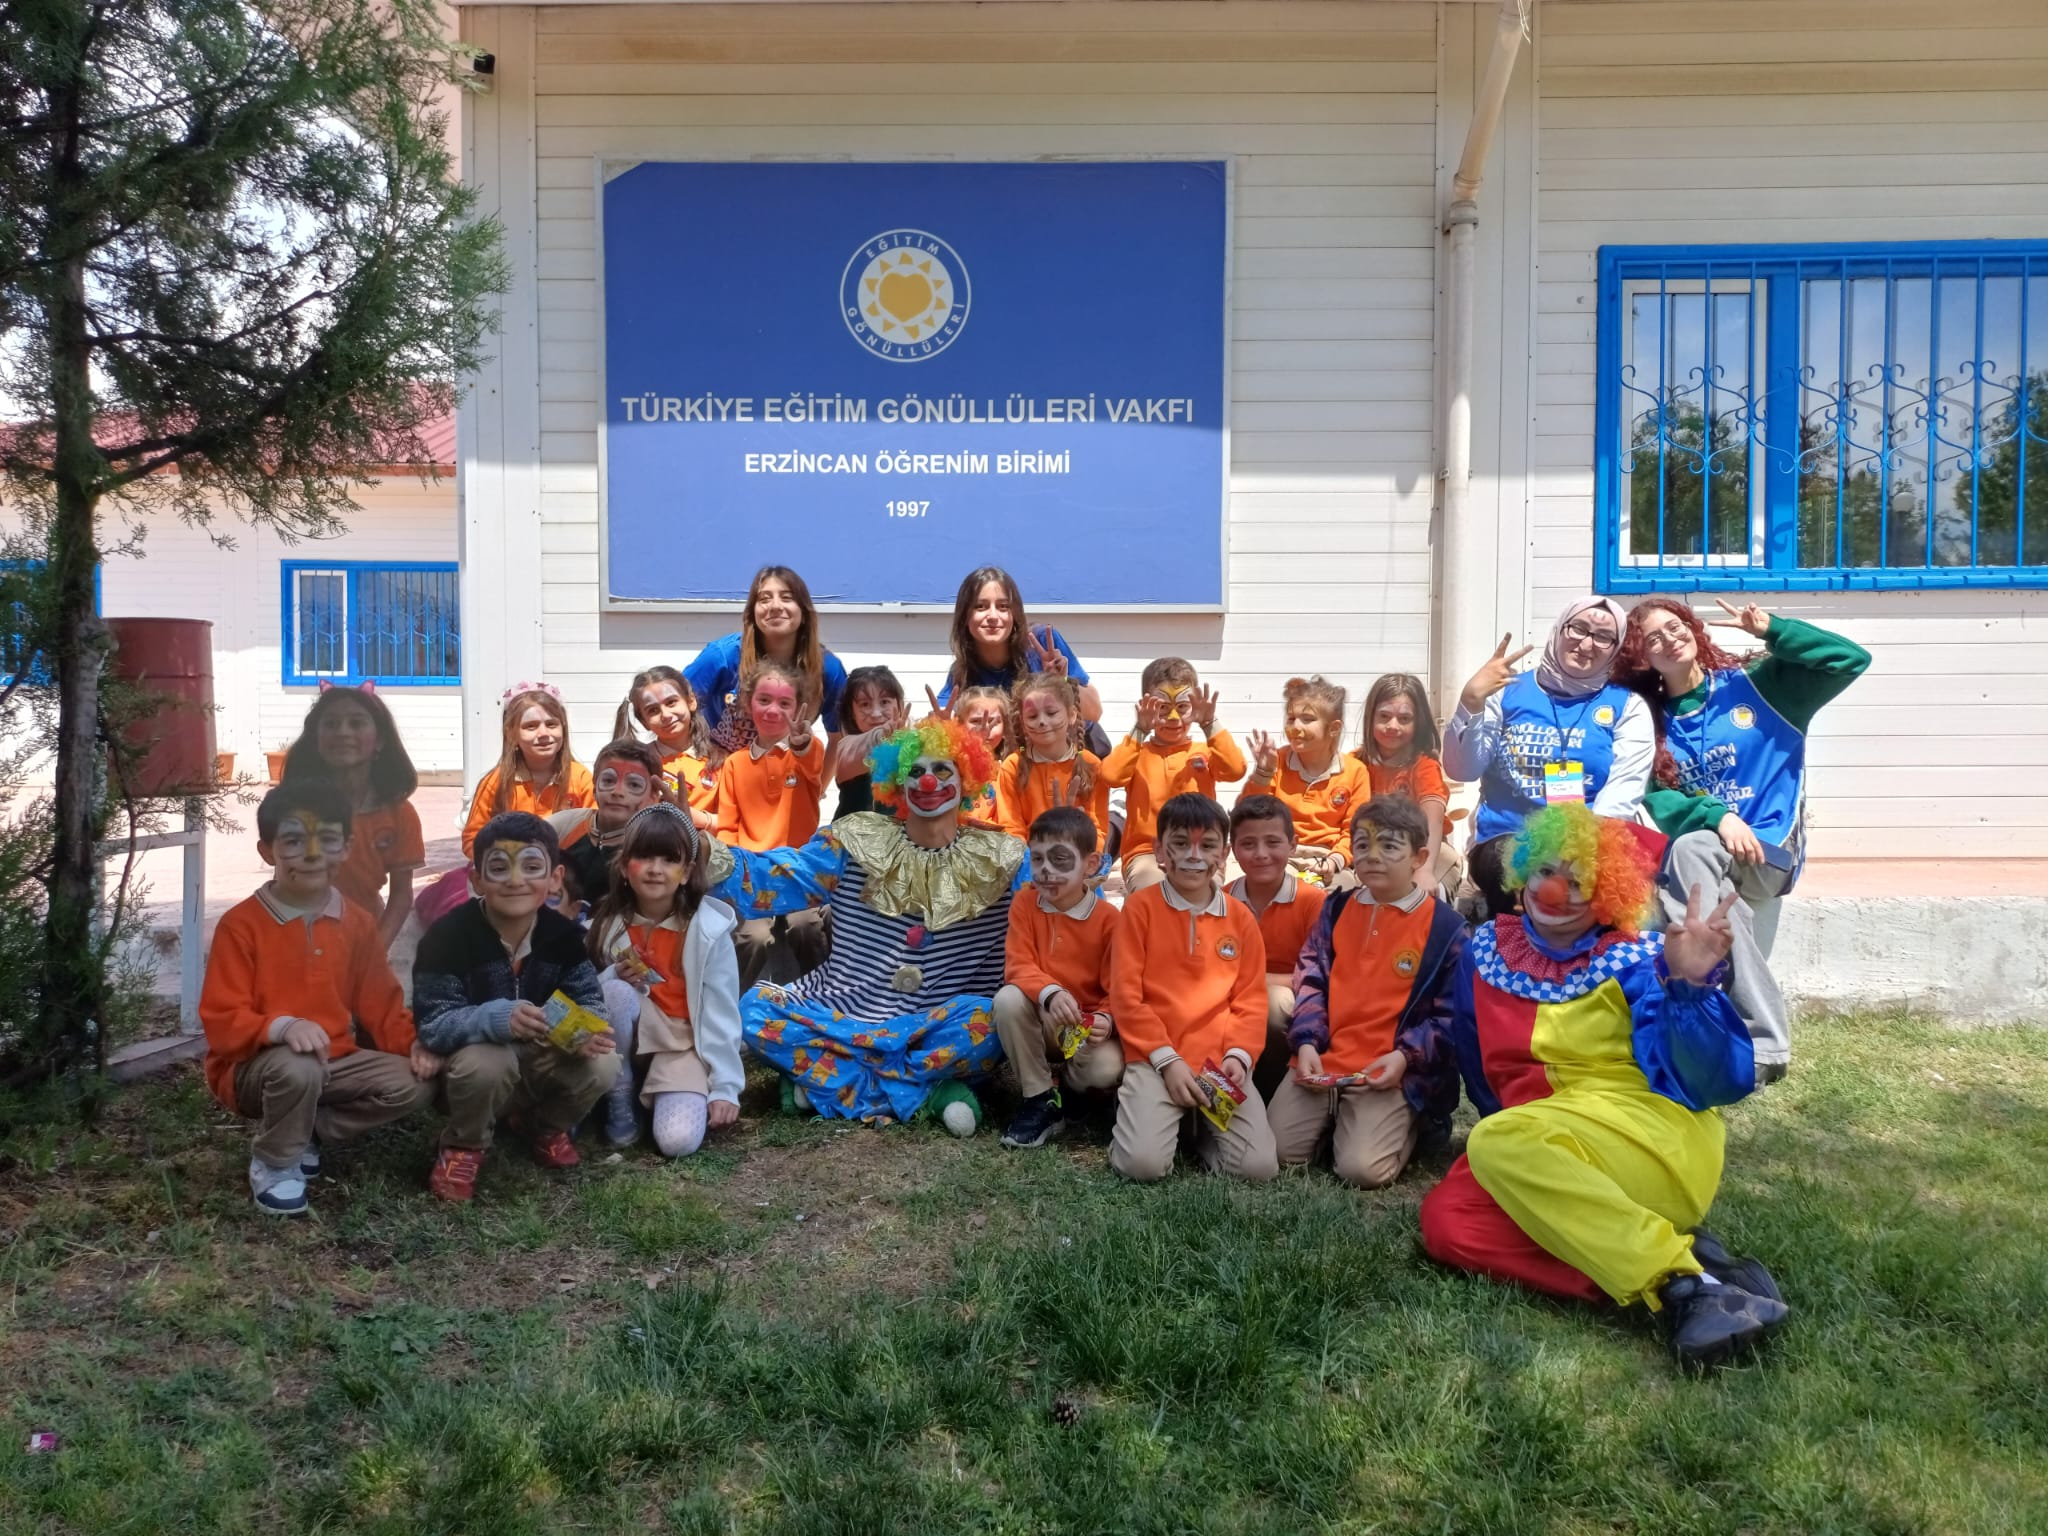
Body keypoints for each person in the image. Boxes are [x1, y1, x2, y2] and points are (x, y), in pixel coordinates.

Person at [1417, 804, 1788, 1371]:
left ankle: (1680, 1287)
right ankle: (1695, 1261)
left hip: (1653, 1140)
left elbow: (1711, 1083)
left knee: (1493, 1140)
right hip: (1540, 1147)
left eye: (1579, 880)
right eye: (1544, 870)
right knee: (1449, 1224)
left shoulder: (1639, 962)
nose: (1555, 890)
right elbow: (1477, 1067)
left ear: (1608, 893)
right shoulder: (1485, 954)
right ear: (1521, 876)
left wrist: (1689, 987)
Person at [714, 714, 1020, 1128]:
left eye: (942, 769)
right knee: (754, 1011)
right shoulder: (856, 840)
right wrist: (699, 849)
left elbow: (1054, 896)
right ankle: (923, 1092)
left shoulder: (1002, 857)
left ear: (967, 779)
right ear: (896, 783)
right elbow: (779, 878)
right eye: (914, 771)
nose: (928, 782)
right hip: (842, 1009)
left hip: (934, 1022)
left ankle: (832, 1082)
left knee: (990, 1021)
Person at [1616, 597, 1872, 1081]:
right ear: (1643, 657)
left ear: (1692, 629)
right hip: (1714, 865)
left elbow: (1850, 660)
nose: (1668, 638)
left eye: (1675, 627)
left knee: (1689, 848)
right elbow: (1655, 798)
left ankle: (1695, 987)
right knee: (1720, 905)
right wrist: (1718, 816)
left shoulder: (1759, 686)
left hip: (1769, 851)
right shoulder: (1648, 723)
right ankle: (1765, 1050)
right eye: (1653, 638)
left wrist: (1773, 630)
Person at [199, 781, 440, 1215]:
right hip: (254, 1066)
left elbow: (381, 1004)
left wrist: (414, 1045)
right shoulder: (241, 926)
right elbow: (221, 1020)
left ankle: (305, 1129)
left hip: (334, 1060)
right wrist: (283, 1026)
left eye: (327, 839)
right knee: (299, 1064)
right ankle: (275, 1162)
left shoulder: (357, 922)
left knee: (411, 1083)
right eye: (293, 841)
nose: (312, 854)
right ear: (267, 851)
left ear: (346, 847)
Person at [411, 813, 619, 1202]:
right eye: (499, 868)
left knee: (605, 1064)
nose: (515, 880)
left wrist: (580, 1031)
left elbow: (590, 1000)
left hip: (540, 1054)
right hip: (472, 1068)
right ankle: (463, 1146)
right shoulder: (448, 937)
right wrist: (496, 1018)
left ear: (555, 878)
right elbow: (434, 1022)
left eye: (532, 866)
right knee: (489, 1062)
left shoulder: (565, 937)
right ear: (476, 879)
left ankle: (542, 1127)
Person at [1272, 795, 1465, 1189]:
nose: (1372, 856)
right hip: (1325, 1061)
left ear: (1419, 856)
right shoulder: (1336, 909)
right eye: (1362, 845)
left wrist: (1405, 1057)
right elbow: (1311, 979)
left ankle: (1411, 1121)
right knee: (1277, 1152)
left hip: (1390, 1070)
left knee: (1362, 1171)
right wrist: (1306, 1042)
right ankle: (1338, 1114)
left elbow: (1453, 1017)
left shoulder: (1447, 929)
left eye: (1389, 846)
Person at [1442, 599, 1653, 918]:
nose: (1586, 643)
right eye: (1578, 628)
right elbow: (1463, 769)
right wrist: (1471, 702)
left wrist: (1574, 853)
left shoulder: (1628, 707)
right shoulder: (1506, 690)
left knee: (1638, 902)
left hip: (1588, 843)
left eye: (1603, 636)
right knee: (1519, 866)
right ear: (1559, 629)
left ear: (1615, 648)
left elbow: (1623, 792)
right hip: (1505, 839)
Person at [1106, 794, 1277, 1183]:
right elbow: (1127, 997)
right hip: (1156, 1058)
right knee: (1141, 1167)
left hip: (1219, 1063)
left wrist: (1239, 1056)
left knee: (1258, 1170)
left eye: (1208, 845)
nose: (1194, 856)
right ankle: (1141, 1125)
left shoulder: (1241, 919)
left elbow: (1250, 1000)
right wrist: (1167, 1061)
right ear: (1159, 851)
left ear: (1224, 854)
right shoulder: (1138, 910)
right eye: (1181, 843)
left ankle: (1197, 1131)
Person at [589, 804, 743, 1157]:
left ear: (687, 872)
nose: (656, 870)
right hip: (625, 1041)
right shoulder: (605, 925)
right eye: (644, 857)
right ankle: (619, 1093)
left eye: (669, 860)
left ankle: (663, 1090)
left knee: (677, 1141)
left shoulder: (708, 930)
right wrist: (613, 973)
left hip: (681, 1044)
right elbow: (584, 996)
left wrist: (725, 1087)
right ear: (626, 867)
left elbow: (721, 1011)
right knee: (614, 991)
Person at [994, 805, 1125, 1149]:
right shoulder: (1025, 904)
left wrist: (1107, 1019)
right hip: (1044, 1019)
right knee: (1007, 999)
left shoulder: (1110, 921)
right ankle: (1040, 1099)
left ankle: (1070, 1088)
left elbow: (1121, 987)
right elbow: (1018, 964)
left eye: (1060, 859)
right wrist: (1050, 992)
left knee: (1107, 1066)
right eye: (1037, 860)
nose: (1046, 871)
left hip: (1087, 1031)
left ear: (1091, 865)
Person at [713, 660, 831, 987]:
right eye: (764, 700)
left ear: (799, 709)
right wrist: (732, 877)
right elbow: (726, 826)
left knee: (806, 928)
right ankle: (734, 1011)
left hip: (799, 873)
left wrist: (801, 743)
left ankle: (816, 1000)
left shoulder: (806, 748)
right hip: (753, 875)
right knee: (752, 938)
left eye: (784, 703)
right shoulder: (735, 763)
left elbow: (813, 762)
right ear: (749, 702)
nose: (773, 710)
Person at [280, 684, 423, 948]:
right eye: (331, 724)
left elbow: (402, 894)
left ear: (380, 740)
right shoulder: (296, 808)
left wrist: (375, 951)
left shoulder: (400, 814)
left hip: (364, 937)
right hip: (298, 936)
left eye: (356, 723)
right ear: (316, 739)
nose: (343, 732)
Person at [1098, 658, 1246, 895]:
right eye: (1163, 708)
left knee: (1204, 897)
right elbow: (1110, 775)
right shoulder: (1138, 752)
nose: (1174, 718)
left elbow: (1235, 769)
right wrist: (1140, 729)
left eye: (1183, 707)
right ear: (1147, 705)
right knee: (1156, 897)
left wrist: (1209, 723)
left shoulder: (1205, 751)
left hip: (1201, 849)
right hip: (1147, 853)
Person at [682, 564, 847, 755]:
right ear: (752, 612)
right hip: (722, 773)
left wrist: (816, 785)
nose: (775, 606)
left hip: (786, 777)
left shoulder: (828, 669)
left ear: (804, 612)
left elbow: (838, 739)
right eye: (764, 599)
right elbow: (677, 705)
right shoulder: (722, 656)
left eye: (787, 598)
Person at [1225, 794, 1328, 1092]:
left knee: (1275, 1003)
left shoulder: (1313, 902)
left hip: (1291, 1002)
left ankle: (1271, 1084)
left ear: (1292, 845)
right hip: (1228, 997)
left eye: (1273, 842)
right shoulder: (1223, 899)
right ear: (1233, 849)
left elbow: (1319, 976)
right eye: (1248, 844)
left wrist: (1255, 981)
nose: (1260, 854)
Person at [1240, 675, 1372, 882]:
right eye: (1291, 718)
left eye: (1307, 719)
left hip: (1329, 857)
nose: (1295, 727)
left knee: (1339, 893)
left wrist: (1334, 861)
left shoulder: (1355, 771)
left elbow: (1355, 830)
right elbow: (1247, 815)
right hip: (1279, 853)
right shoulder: (1278, 761)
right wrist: (1264, 772)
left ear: (1334, 728)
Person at [938, 565, 1103, 724]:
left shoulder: (1042, 643)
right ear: (964, 617)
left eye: (1003, 607)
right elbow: (939, 716)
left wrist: (1061, 682)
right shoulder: (962, 672)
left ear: (1015, 614)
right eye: (981, 607)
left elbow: (1095, 712)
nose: (993, 616)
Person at [461, 683, 595, 858]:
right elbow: (472, 838)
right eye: (531, 726)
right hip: (510, 873)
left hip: (566, 873)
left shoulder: (581, 778)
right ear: (511, 734)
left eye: (551, 724)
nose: (543, 733)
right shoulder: (497, 781)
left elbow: (596, 831)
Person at [1353, 672, 1455, 890]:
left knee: (1424, 891)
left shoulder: (1424, 765)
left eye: (1404, 719)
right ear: (1370, 718)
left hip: (1425, 848)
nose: (1393, 725)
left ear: (1418, 723)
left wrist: (1424, 870)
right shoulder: (1355, 764)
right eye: (1384, 716)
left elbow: (1433, 821)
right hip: (1373, 848)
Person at [995, 671, 1110, 852]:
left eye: (1051, 712)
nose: (1042, 721)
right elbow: (1011, 828)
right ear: (1023, 723)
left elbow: (1098, 831)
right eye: (1032, 716)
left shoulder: (1091, 765)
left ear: (1072, 715)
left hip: (1079, 861)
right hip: (1029, 864)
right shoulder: (1013, 766)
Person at [550, 736, 667, 913]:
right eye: (608, 781)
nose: (617, 792)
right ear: (594, 787)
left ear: (653, 796)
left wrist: (687, 833)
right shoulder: (562, 826)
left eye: (634, 784)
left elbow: (714, 869)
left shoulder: (655, 840)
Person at [618, 664, 718, 828]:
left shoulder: (720, 761)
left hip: (709, 850)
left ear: (691, 701)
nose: (665, 715)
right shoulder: (637, 764)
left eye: (671, 702)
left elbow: (736, 822)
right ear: (644, 722)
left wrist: (698, 818)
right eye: (653, 710)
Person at [831, 665, 907, 821]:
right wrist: (882, 735)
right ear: (851, 712)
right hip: (849, 841)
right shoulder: (846, 746)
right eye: (865, 704)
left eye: (885, 702)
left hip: (900, 839)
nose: (876, 713)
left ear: (899, 704)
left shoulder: (914, 745)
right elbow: (854, 752)